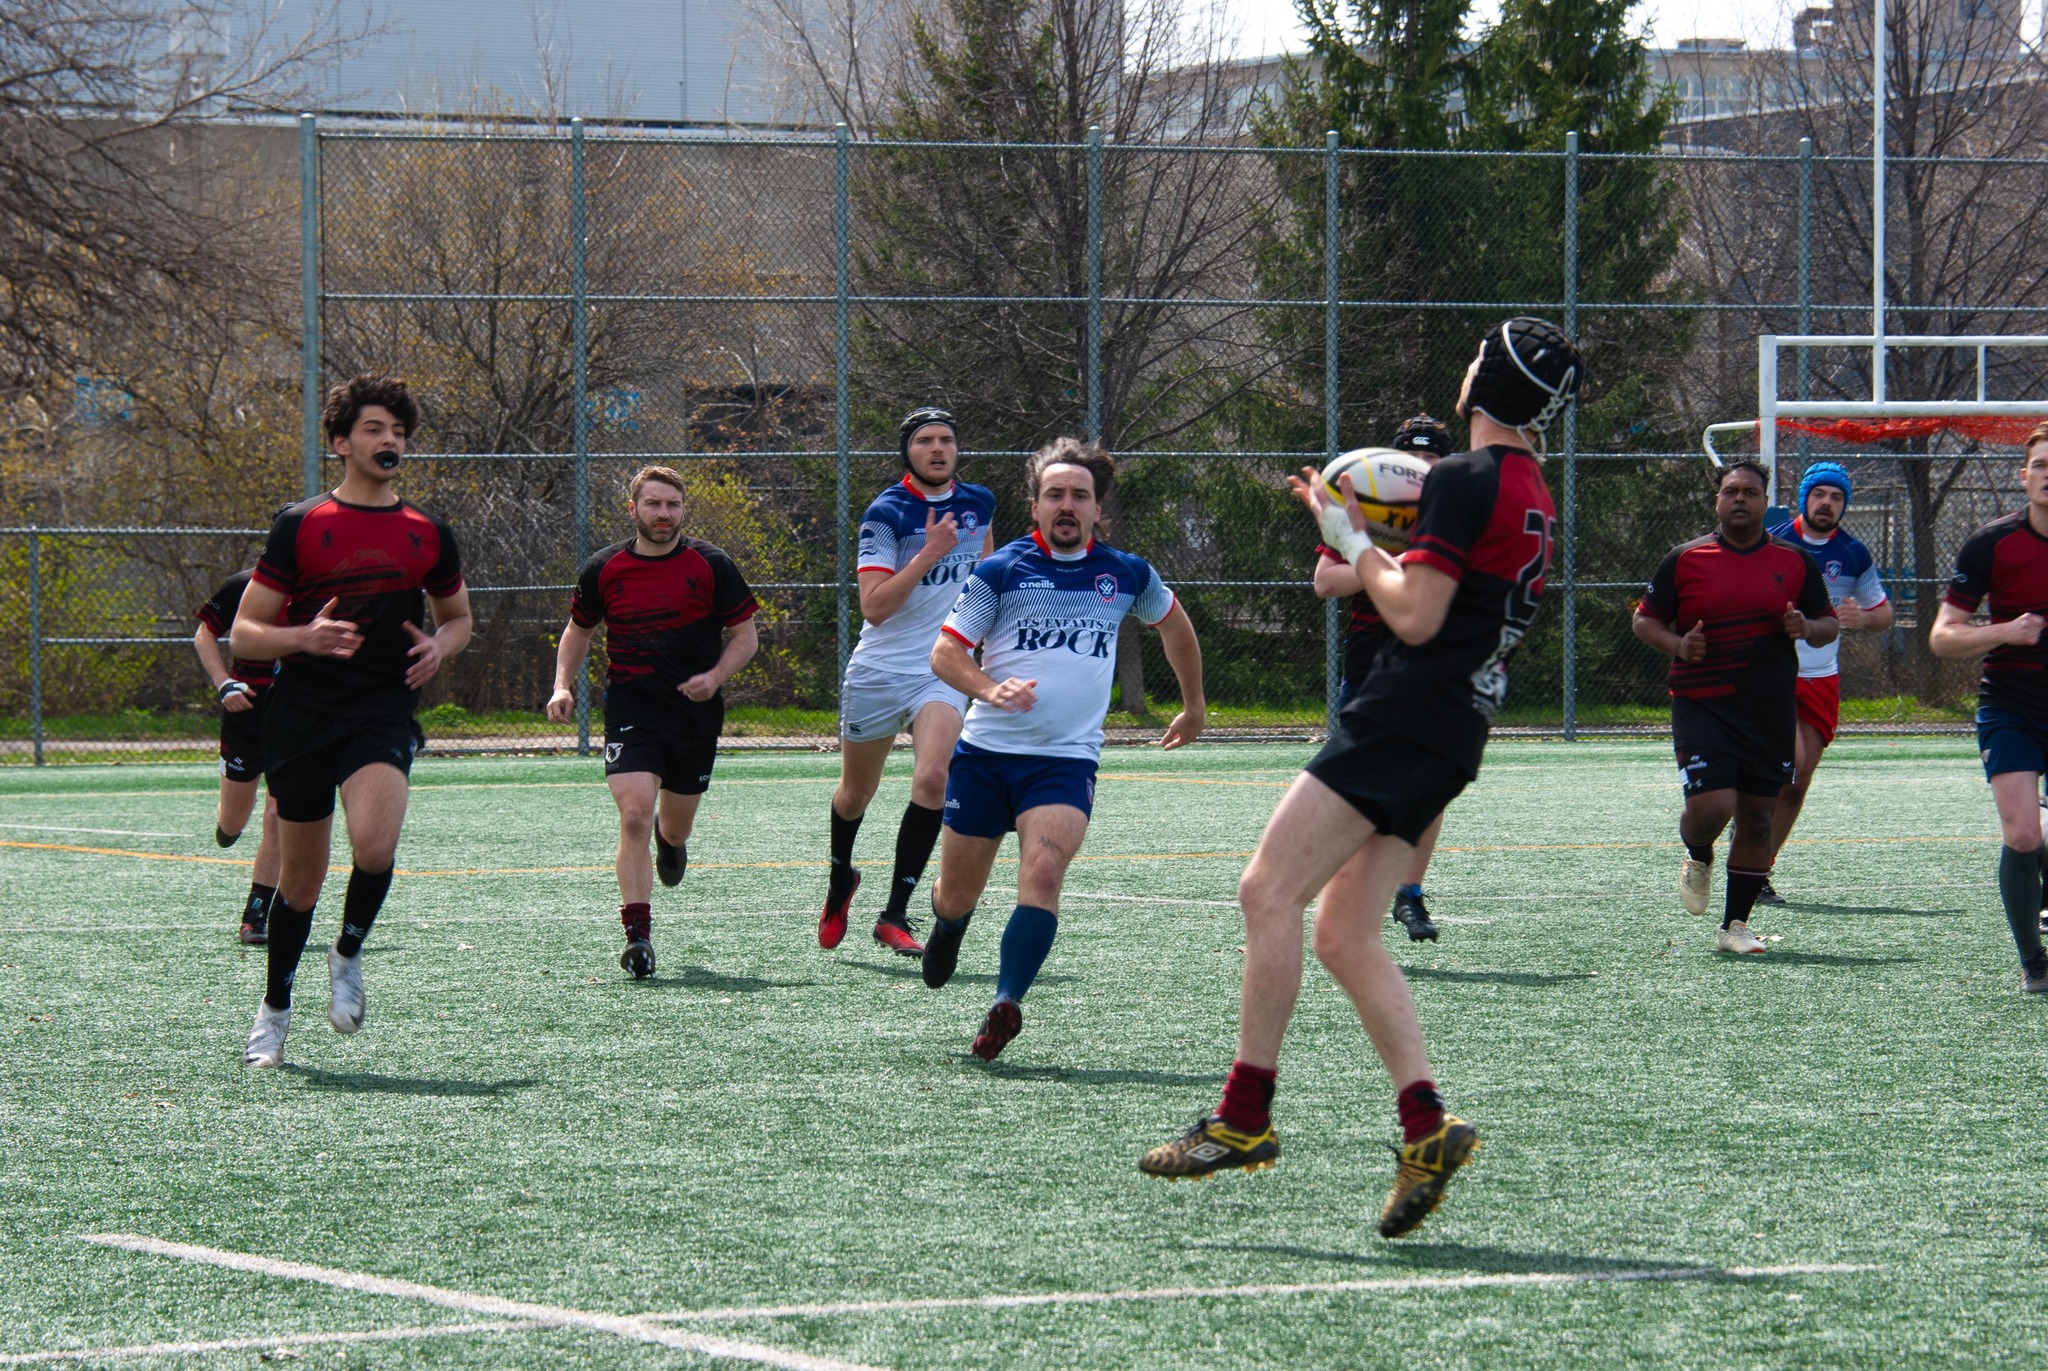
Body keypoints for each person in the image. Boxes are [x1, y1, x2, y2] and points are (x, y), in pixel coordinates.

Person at [1137, 318, 1578, 1240]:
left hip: (1406, 710)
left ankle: (1244, 1116)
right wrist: (1372, 553)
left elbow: (1415, 617)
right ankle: (1427, 1125)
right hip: (1458, 727)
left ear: (1486, 378)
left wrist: (1351, 536)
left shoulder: (1464, 477)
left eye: (1472, 355)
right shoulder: (1532, 486)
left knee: (1266, 890)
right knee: (1343, 931)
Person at [919, 438, 1204, 1062]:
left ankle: (1007, 1001)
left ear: (1099, 509)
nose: (1067, 505)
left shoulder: (1127, 574)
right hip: (987, 755)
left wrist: (1194, 703)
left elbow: (1175, 626)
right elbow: (946, 653)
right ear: (1036, 505)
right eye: (1056, 495)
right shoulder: (1001, 571)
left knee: (1043, 872)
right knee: (958, 892)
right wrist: (991, 689)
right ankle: (948, 923)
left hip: (1065, 760)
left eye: (1080, 495)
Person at [232, 374, 472, 1068]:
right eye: (373, 428)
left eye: (397, 430)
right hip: (303, 714)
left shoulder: (427, 533)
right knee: (300, 882)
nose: (389, 439)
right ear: (341, 442)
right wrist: (302, 638)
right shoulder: (301, 525)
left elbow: (458, 620)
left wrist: (439, 645)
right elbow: (246, 633)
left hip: (381, 708)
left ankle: (348, 951)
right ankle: (275, 1007)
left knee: (374, 843)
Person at [547, 465, 760, 980]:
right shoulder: (605, 568)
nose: (663, 514)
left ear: (683, 509)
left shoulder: (712, 564)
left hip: (695, 715)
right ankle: (638, 936)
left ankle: (673, 842)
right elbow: (579, 631)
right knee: (635, 817)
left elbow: (746, 637)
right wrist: (561, 683)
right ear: (634, 509)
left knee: (671, 824)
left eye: (672, 505)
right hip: (632, 711)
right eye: (653, 504)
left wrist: (715, 676)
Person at [1632, 460, 1837, 954]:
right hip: (1703, 704)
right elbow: (1645, 622)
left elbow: (1828, 623)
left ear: (1766, 503)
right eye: (1730, 492)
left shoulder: (1794, 563)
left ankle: (1735, 927)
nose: (1739, 499)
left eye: (1749, 492)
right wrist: (1680, 646)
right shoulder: (1685, 558)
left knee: (1758, 816)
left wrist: (1806, 629)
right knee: (1711, 808)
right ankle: (1697, 853)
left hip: (1768, 709)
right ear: (1718, 502)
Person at [820, 407, 995, 958]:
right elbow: (874, 608)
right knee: (855, 795)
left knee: (934, 781)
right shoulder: (886, 512)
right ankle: (841, 876)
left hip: (940, 669)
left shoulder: (980, 503)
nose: (938, 448)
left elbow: (989, 582)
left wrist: (988, 656)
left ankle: (895, 914)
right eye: (925, 441)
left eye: (947, 439)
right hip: (879, 671)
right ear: (908, 453)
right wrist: (929, 553)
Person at [1312, 415, 1455, 941]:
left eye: (1433, 459)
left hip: (1436, 665)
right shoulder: (1368, 508)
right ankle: (1339, 896)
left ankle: (1409, 894)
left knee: (1430, 789)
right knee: (1356, 791)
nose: (1422, 468)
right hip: (1373, 663)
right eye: (1413, 460)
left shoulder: (1461, 514)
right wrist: (1381, 560)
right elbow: (1326, 582)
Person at [1928, 424, 2048, 993]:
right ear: (2023, 477)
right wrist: (2007, 631)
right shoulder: (1990, 543)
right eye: (2042, 465)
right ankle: (2034, 961)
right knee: (2024, 834)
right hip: (2011, 706)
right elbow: (1943, 637)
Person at [1757, 462, 1893, 904]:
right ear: (1805, 498)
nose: (1827, 503)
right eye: (1820, 494)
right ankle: (1741, 840)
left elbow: (1884, 614)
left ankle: (1758, 873)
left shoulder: (1853, 553)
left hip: (1820, 678)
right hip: (1770, 674)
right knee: (1779, 768)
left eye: (1836, 497)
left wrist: (1864, 617)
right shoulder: (1775, 539)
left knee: (1796, 786)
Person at [193, 564, 282, 944]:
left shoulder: (323, 588)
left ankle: (256, 915)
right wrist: (223, 683)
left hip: (299, 717)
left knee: (279, 815)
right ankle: (227, 827)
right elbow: (205, 633)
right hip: (246, 716)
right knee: (232, 823)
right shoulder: (246, 585)